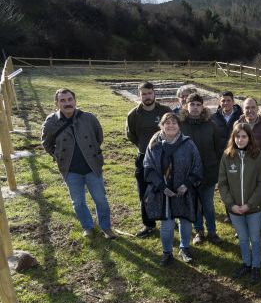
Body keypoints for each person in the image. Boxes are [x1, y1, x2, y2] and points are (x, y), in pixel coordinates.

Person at [41, 88, 116, 239]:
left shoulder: (89, 118)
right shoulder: (51, 122)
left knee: (101, 199)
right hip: (70, 170)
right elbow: (46, 143)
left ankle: (106, 227)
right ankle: (87, 226)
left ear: (75, 101)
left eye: (70, 99)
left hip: (92, 167)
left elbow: (98, 136)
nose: (67, 103)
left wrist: (92, 153)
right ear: (56, 103)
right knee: (78, 202)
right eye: (63, 100)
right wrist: (58, 156)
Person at [143, 113, 203, 266]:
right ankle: (167, 252)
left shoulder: (188, 144)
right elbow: (148, 167)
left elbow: (197, 166)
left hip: (184, 190)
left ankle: (184, 248)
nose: (171, 126)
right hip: (164, 192)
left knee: (185, 220)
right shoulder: (154, 145)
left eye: (174, 123)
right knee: (167, 224)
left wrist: (187, 184)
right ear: (161, 126)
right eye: (167, 123)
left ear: (179, 126)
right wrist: (162, 187)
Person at [218, 123, 261, 284]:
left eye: (244, 136)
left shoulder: (258, 157)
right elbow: (222, 183)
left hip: (254, 209)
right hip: (234, 209)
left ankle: (256, 266)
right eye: (237, 136)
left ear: (249, 138)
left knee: (254, 238)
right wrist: (231, 205)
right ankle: (246, 263)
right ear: (233, 137)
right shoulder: (227, 156)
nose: (240, 140)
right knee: (243, 238)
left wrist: (249, 205)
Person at [126, 81, 171, 237]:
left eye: (149, 93)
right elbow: (131, 134)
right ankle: (148, 224)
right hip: (144, 158)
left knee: (168, 189)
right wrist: (143, 146)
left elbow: (174, 129)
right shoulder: (133, 115)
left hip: (165, 158)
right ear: (140, 95)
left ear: (154, 93)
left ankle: (172, 219)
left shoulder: (165, 111)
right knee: (144, 193)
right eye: (143, 94)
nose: (147, 96)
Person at [179, 93, 223, 244]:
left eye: (198, 105)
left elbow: (218, 149)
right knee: (195, 204)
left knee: (208, 205)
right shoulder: (181, 125)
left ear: (202, 106)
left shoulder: (211, 125)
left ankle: (212, 231)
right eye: (192, 104)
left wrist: (215, 169)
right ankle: (199, 231)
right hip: (189, 174)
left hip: (208, 172)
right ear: (186, 106)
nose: (195, 108)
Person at [235, 97, 261, 245]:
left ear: (258, 108)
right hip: (242, 169)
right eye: (247, 108)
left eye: (253, 107)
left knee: (260, 199)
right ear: (243, 109)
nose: (250, 110)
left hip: (260, 170)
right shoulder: (238, 124)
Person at [211, 91, 243, 224]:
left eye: (228, 100)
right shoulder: (214, 118)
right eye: (223, 101)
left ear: (233, 101)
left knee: (238, 185)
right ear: (219, 102)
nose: (225, 103)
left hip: (238, 156)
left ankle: (241, 211)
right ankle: (229, 213)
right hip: (221, 157)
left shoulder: (240, 116)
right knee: (225, 186)